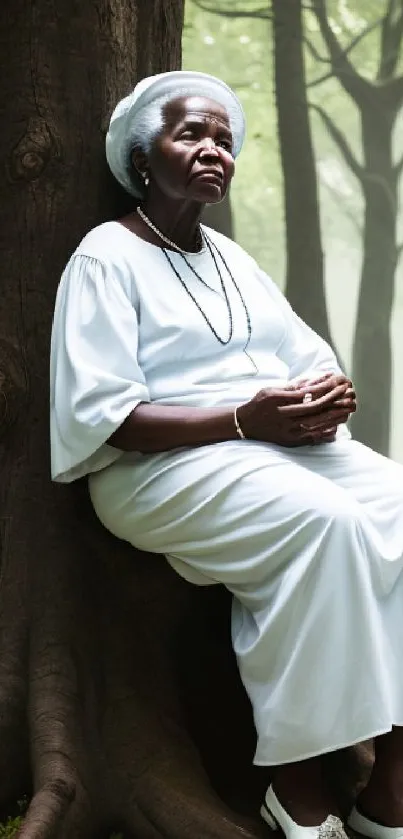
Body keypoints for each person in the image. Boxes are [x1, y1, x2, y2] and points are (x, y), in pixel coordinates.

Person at [50, 70, 403, 839]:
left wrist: (321, 400)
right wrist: (248, 416)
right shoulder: (106, 256)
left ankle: (390, 784)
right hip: (155, 472)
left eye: (223, 139)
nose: (213, 149)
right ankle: (296, 788)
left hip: (272, 451)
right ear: (143, 160)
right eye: (190, 134)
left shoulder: (232, 260)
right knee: (325, 526)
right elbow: (105, 418)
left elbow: (305, 358)